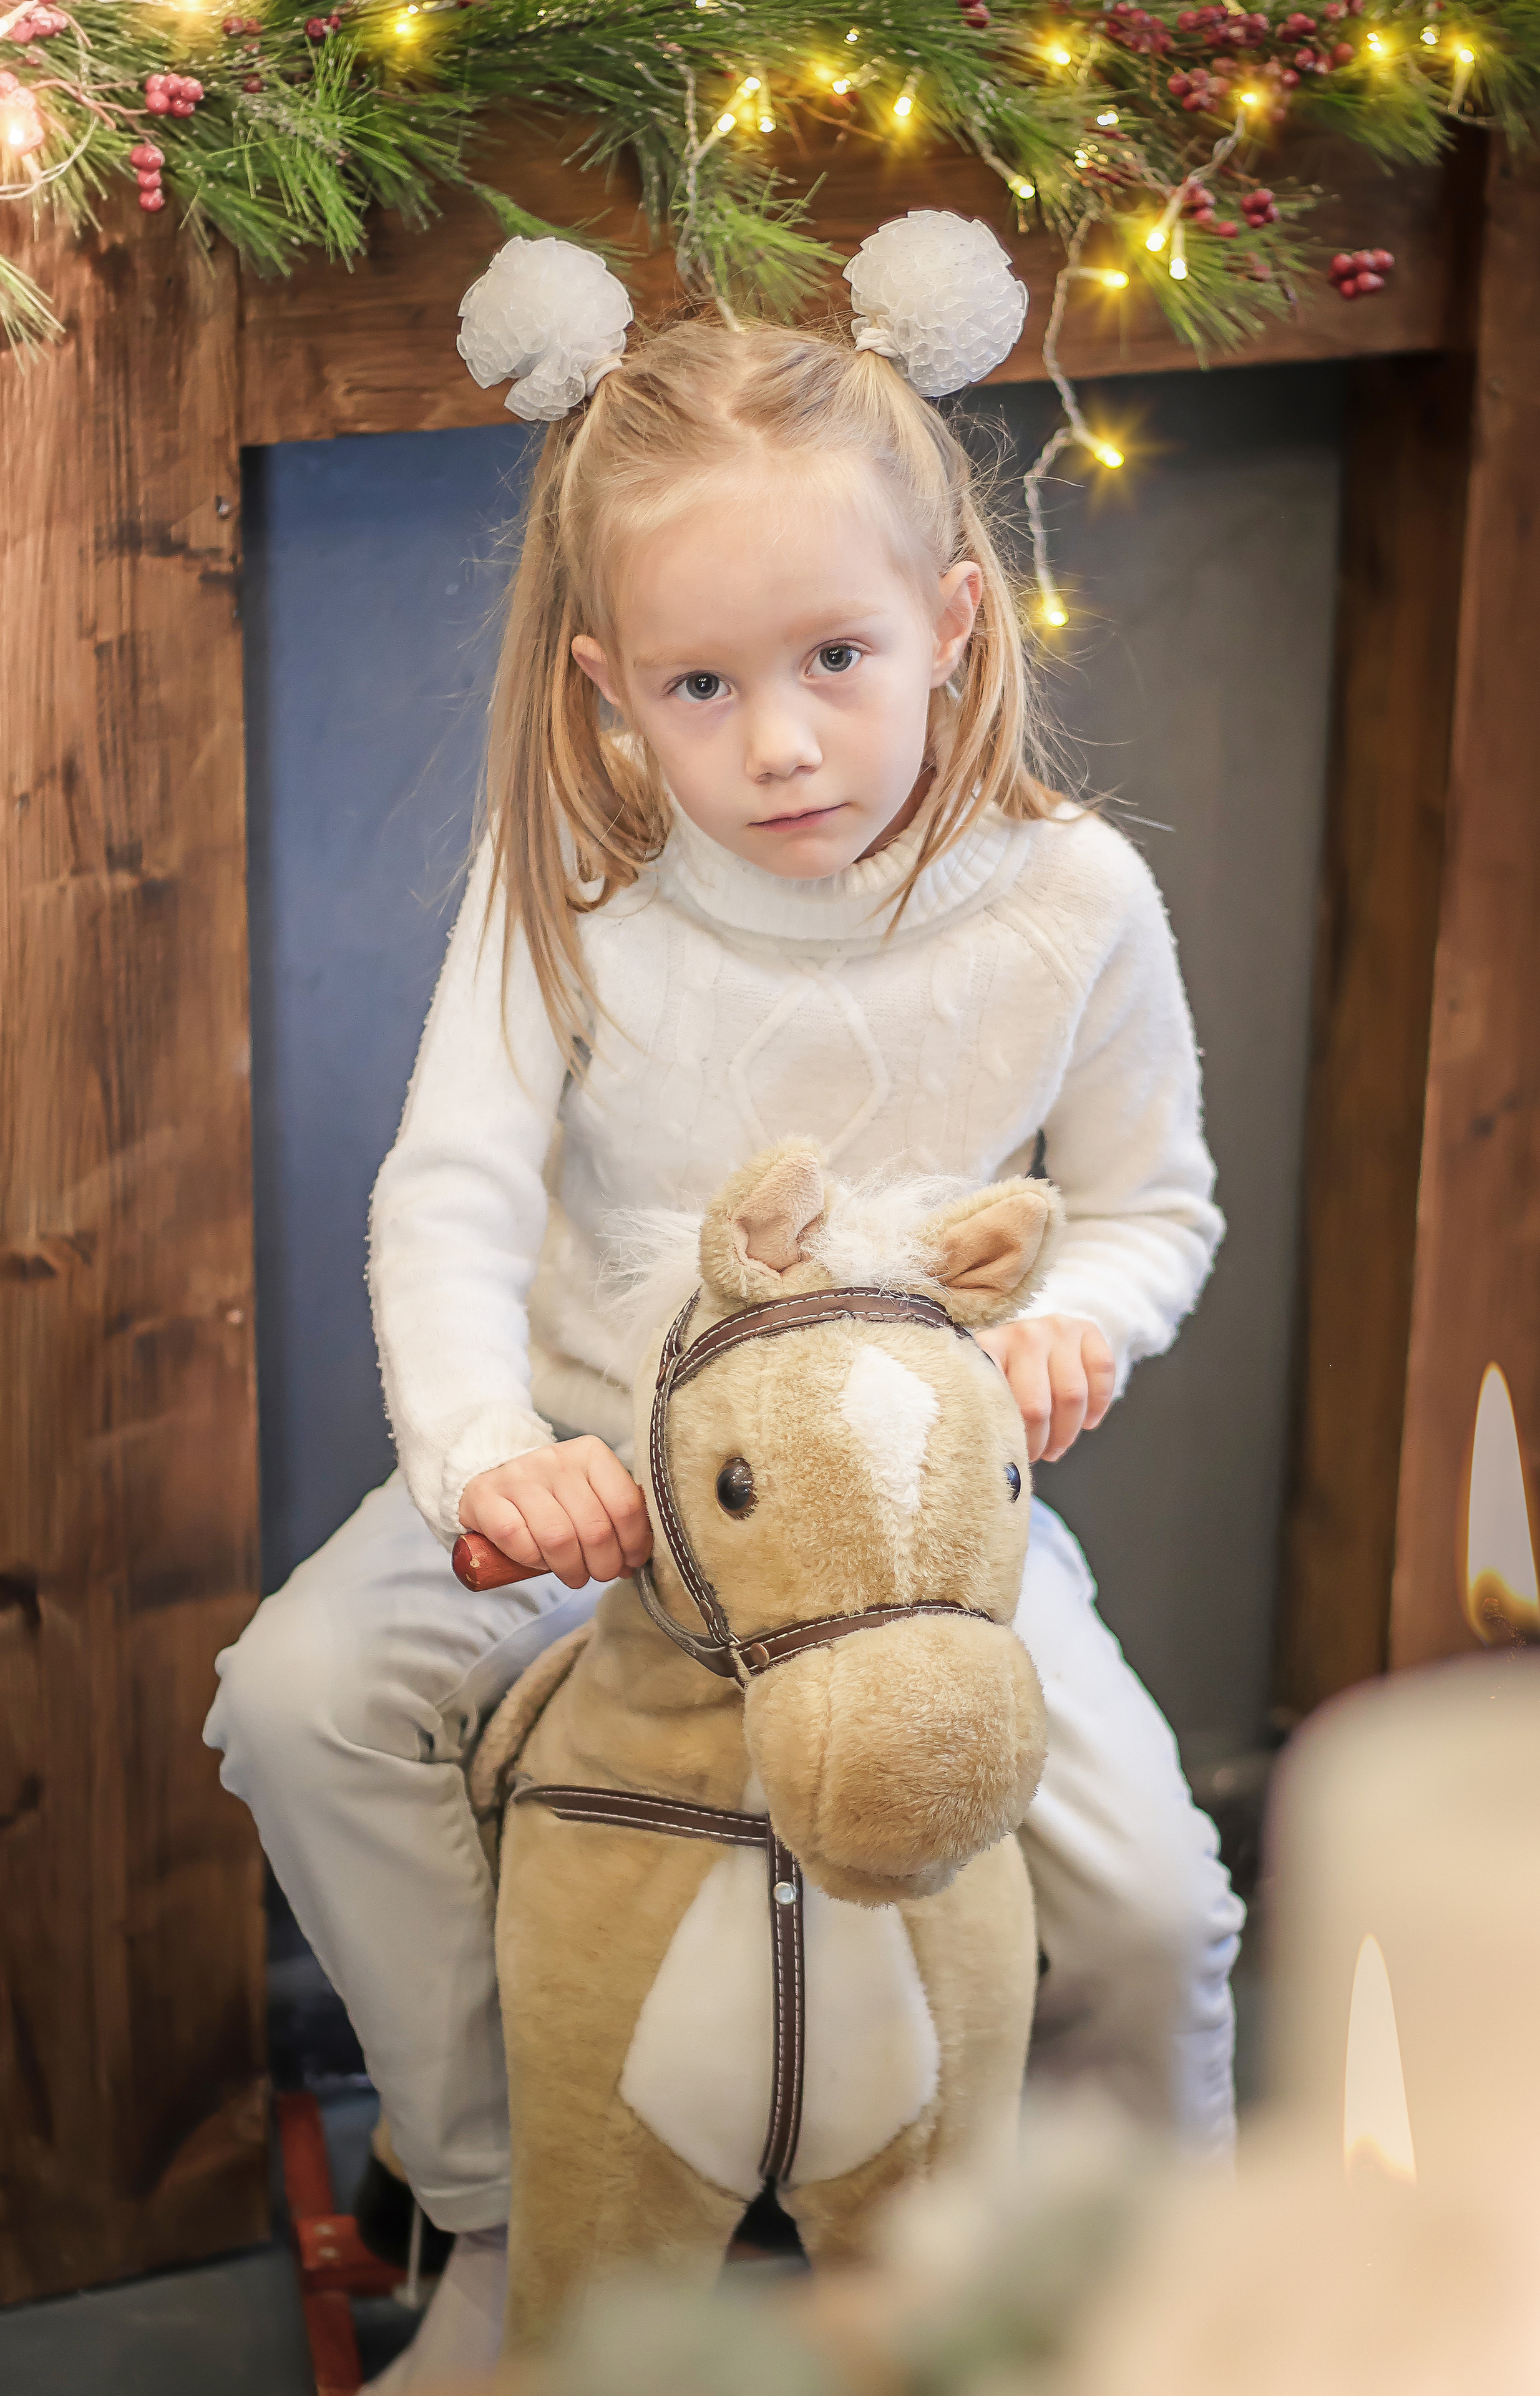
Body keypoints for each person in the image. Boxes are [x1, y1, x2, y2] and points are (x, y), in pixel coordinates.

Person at [205, 216, 1244, 2390]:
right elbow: (452, 1198)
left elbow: (1153, 1205)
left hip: (906, 1537)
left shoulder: (1072, 903)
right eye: (703, 687)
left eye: (838, 660)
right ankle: (506, 2211)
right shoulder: (573, 892)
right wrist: (497, 1462)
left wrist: (1088, 1324)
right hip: (605, 1494)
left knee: (1155, 1897)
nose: (781, 745)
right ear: (609, 685)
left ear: (953, 622)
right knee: (299, 1697)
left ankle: (1133, 2301)